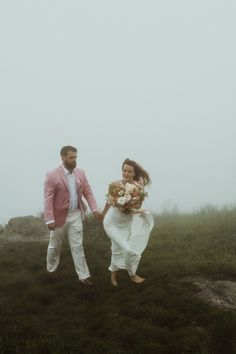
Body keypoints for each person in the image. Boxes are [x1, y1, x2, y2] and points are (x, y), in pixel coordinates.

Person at [44, 145, 102, 286]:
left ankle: (83, 276)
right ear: (63, 157)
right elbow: (48, 198)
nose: (74, 160)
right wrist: (49, 219)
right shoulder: (52, 175)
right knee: (55, 246)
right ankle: (51, 270)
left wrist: (95, 209)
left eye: (75, 157)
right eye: (71, 157)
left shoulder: (80, 172)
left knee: (77, 246)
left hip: (75, 214)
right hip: (58, 217)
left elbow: (88, 191)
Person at [102, 158, 154, 286]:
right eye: (124, 170)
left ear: (134, 173)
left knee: (116, 249)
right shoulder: (115, 185)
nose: (126, 173)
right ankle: (132, 275)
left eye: (129, 171)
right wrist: (102, 214)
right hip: (111, 223)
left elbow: (137, 206)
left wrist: (129, 205)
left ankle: (113, 276)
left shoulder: (138, 188)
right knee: (128, 250)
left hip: (125, 224)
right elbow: (109, 202)